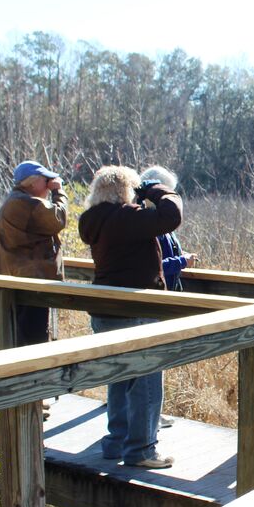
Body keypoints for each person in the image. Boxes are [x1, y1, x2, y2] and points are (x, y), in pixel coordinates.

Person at [78, 165, 183, 468]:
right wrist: (155, 190)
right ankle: (142, 449)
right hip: (136, 310)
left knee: (119, 377)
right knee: (147, 381)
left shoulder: (93, 219)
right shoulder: (124, 217)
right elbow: (171, 215)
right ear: (127, 190)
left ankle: (116, 441)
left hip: (107, 309)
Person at [139, 165, 198, 430]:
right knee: (152, 363)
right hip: (154, 299)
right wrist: (183, 261)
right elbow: (158, 264)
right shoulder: (148, 222)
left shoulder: (162, 224)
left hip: (164, 299)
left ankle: (152, 416)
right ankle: (149, 421)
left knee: (156, 362)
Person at [0, 160, 68, 346]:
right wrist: (59, 191)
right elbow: (58, 219)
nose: (49, 184)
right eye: (46, 180)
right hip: (31, 284)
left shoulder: (17, 201)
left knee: (25, 336)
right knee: (33, 340)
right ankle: (34, 374)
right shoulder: (25, 203)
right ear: (33, 182)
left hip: (22, 281)